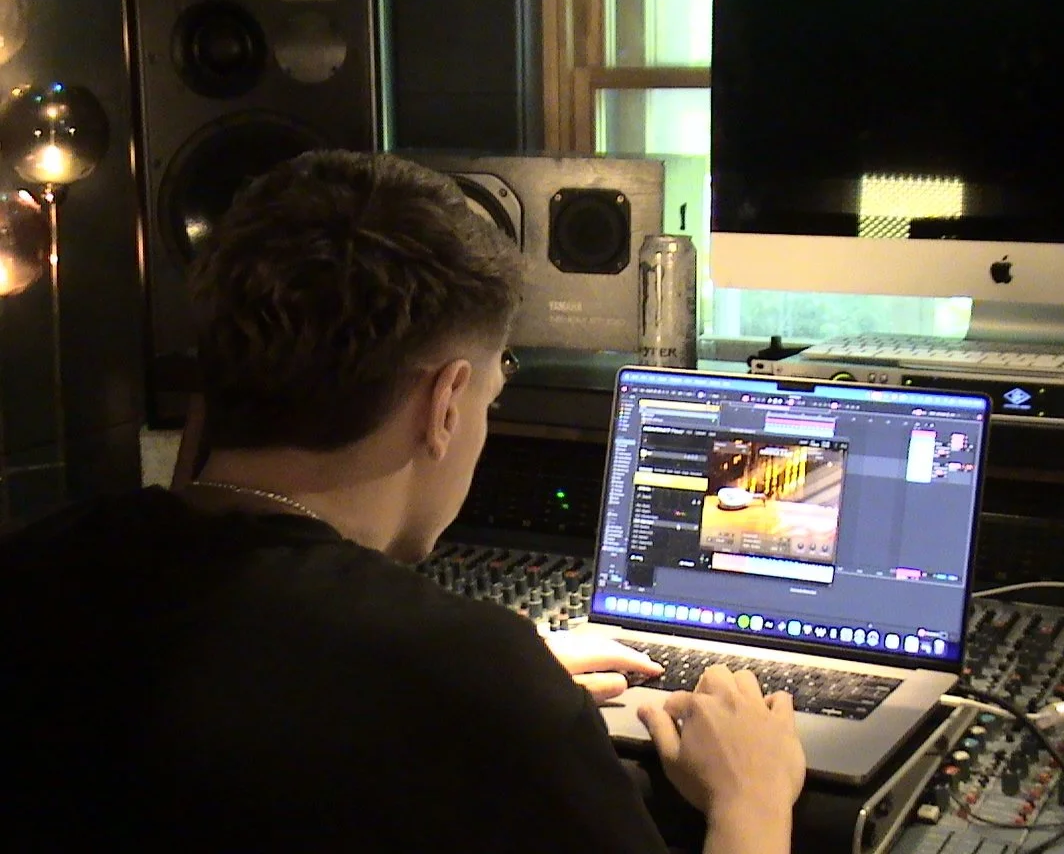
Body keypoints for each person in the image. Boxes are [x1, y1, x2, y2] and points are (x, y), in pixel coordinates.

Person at [0, 150, 805, 852]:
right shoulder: (472, 685)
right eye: (491, 395)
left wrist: (483, 674)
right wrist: (752, 801)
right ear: (446, 403)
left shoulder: (38, 570)